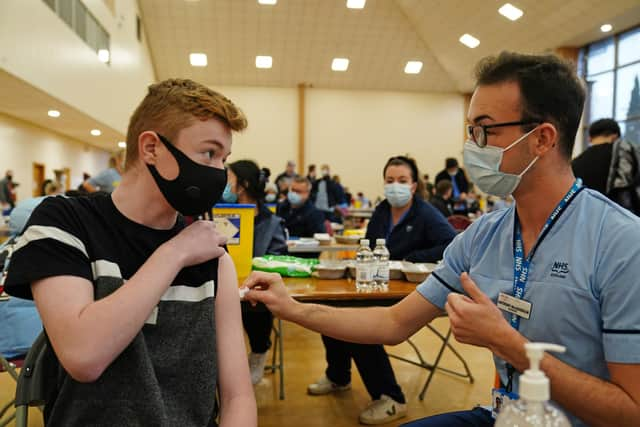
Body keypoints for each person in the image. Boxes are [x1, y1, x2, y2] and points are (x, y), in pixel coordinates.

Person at [243, 52, 640, 427]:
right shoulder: (485, 235)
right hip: (504, 414)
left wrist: (509, 344)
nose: (471, 147)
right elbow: (392, 321)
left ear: (542, 138)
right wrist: (291, 306)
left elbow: (632, 410)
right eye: (470, 132)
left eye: (485, 130)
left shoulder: (620, 243)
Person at [4, 78, 257, 426]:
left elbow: (237, 396)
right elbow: (84, 355)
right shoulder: (64, 223)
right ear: (151, 147)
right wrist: (175, 253)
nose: (219, 175)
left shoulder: (214, 259)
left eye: (224, 159)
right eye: (209, 153)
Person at [310, 156, 456, 425]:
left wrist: (415, 256)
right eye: (390, 181)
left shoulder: (425, 213)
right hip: (378, 282)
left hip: (411, 290)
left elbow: (453, 244)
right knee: (332, 308)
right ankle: (338, 376)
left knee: (360, 324)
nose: (395, 186)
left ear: (414, 186)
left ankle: (391, 397)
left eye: (402, 181)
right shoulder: (381, 210)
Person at [222, 159, 287, 384]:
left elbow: (277, 257)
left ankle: (258, 354)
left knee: (257, 302)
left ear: (244, 185)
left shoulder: (271, 223)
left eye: (228, 179)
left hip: (253, 289)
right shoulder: (219, 214)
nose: (224, 185)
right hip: (222, 285)